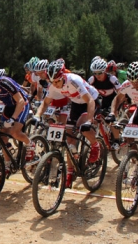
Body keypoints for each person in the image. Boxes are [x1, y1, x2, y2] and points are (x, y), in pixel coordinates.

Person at [33, 59, 100, 188]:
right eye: (53, 82)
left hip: (91, 101)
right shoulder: (53, 84)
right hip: (76, 103)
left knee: (83, 128)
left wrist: (89, 121)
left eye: (58, 81)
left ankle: (95, 145)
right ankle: (70, 173)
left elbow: (90, 101)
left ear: (63, 76)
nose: (56, 84)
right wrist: (37, 116)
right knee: (69, 141)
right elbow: (46, 102)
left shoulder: (74, 80)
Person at [88, 58, 122, 150]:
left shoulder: (112, 78)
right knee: (95, 118)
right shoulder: (92, 79)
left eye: (100, 73)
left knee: (111, 120)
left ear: (104, 71)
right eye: (95, 73)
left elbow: (121, 92)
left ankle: (117, 140)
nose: (97, 75)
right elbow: (85, 91)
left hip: (114, 99)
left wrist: (117, 107)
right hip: (102, 99)